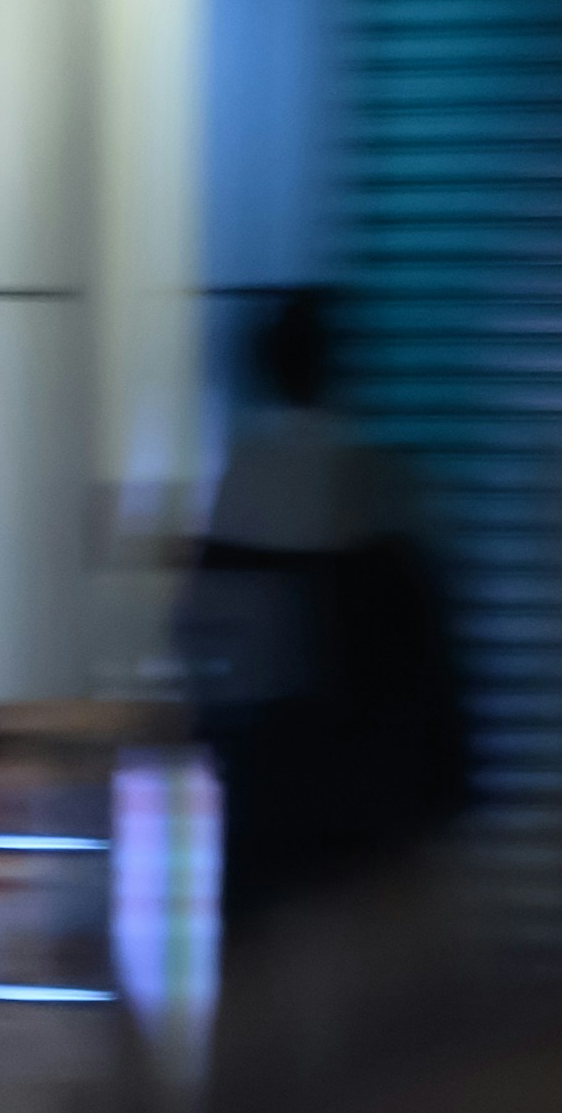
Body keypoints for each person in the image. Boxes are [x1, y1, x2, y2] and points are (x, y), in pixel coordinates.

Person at [181, 284, 470, 928]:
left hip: (263, 788)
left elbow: (206, 649)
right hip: (366, 801)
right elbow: (426, 662)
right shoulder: (375, 480)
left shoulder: (240, 482)